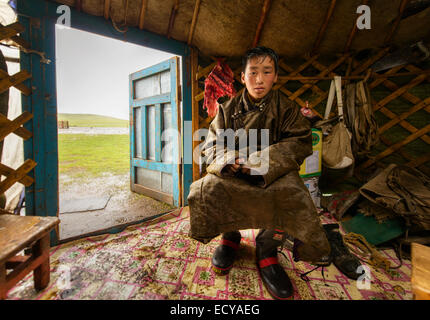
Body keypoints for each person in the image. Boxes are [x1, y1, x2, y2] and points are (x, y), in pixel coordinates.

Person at [187, 46, 358, 300]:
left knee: (291, 192)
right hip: (233, 167)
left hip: (272, 169)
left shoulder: (286, 108)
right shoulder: (227, 108)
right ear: (242, 77)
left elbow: (299, 141)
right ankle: (229, 235)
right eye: (253, 72)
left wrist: (260, 163)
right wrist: (230, 159)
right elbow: (212, 143)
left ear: (275, 76)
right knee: (207, 187)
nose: (259, 79)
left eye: (266, 72)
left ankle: (267, 249)